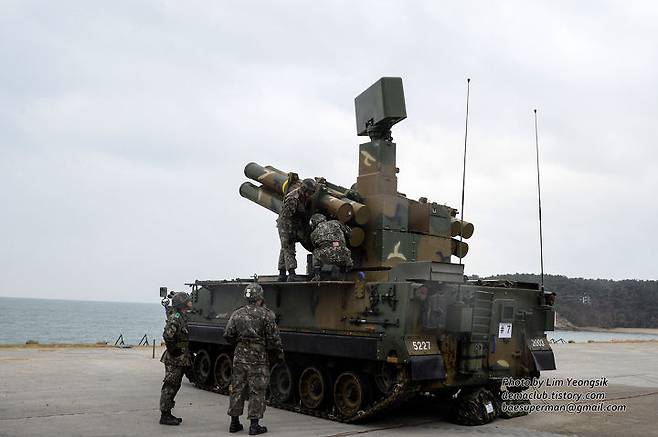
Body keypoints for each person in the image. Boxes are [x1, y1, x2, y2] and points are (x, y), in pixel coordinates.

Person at [224, 283, 284, 435]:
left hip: (240, 356)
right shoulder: (266, 315)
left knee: (237, 388)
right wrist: (278, 355)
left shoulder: (237, 314)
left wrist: (240, 344)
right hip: (258, 357)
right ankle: (254, 425)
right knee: (257, 389)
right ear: (260, 297)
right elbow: (274, 339)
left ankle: (234, 423)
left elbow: (228, 335)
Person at [159, 292, 193, 426]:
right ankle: (165, 415)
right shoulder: (176, 317)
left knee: (175, 385)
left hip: (181, 357)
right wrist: (173, 349)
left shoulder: (182, 316)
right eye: (188, 300)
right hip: (175, 358)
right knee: (170, 385)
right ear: (182, 303)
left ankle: (168, 412)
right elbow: (168, 335)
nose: (190, 302)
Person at [277, 178, 317, 282]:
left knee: (284, 247)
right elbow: (286, 216)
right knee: (289, 246)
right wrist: (290, 233)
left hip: (294, 224)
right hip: (286, 224)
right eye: (309, 192)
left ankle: (282, 273)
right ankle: (291, 274)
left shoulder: (303, 197)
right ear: (304, 189)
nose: (310, 195)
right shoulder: (293, 198)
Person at [309, 213, 353, 280]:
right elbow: (349, 233)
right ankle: (347, 266)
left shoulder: (313, 234)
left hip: (327, 258)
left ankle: (317, 275)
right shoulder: (336, 222)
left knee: (315, 251)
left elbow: (315, 245)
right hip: (343, 255)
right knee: (344, 248)